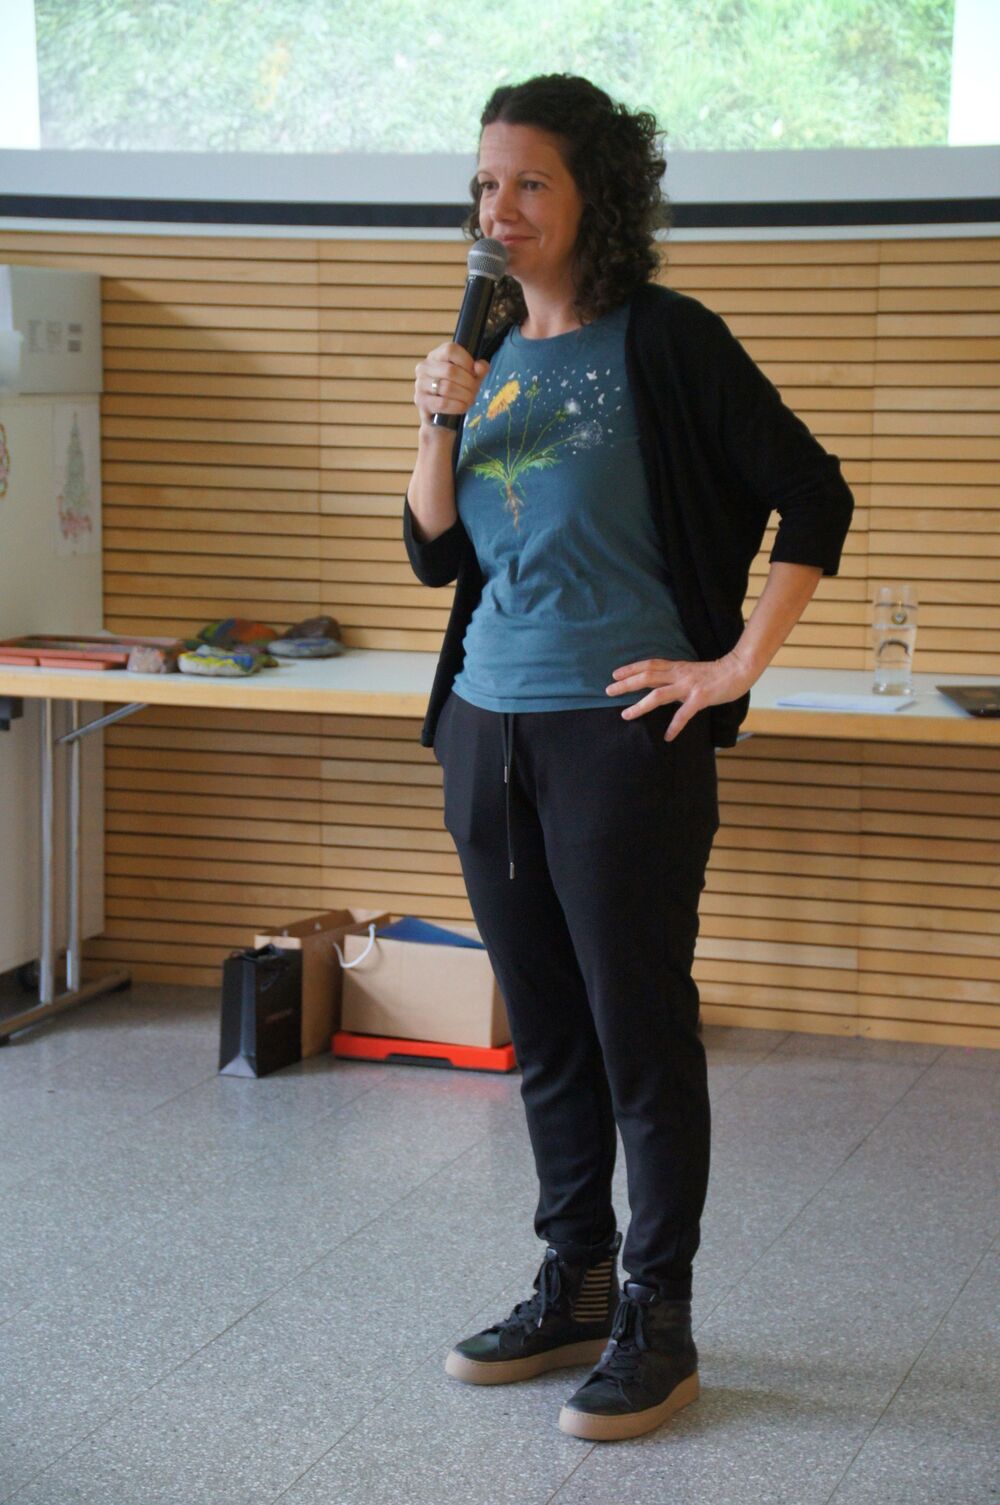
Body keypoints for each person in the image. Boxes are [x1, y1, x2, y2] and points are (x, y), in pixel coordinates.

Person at [402, 74, 854, 1443]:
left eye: (530, 182)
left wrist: (733, 666)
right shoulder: (484, 346)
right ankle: (577, 1282)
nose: (499, 208)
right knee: (545, 1030)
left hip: (622, 737)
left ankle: (661, 1315)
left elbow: (814, 492)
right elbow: (433, 551)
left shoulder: (664, 340)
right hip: (486, 726)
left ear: (596, 193)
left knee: (637, 1031)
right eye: (486, 183)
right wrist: (438, 416)